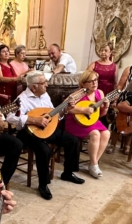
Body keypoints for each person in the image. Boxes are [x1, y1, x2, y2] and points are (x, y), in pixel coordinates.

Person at [7, 71, 84, 200]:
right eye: (43, 83)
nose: (47, 85)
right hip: (27, 133)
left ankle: (68, 173)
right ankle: (43, 185)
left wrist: (65, 109)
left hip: (46, 129)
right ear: (34, 87)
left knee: (72, 140)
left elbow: (52, 115)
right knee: (44, 150)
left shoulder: (45, 95)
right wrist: (33, 120)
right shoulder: (22, 99)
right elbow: (10, 117)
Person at [65, 70, 110, 179]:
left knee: (106, 133)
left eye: (95, 80)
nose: (94, 83)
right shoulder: (78, 94)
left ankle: (93, 163)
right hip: (75, 122)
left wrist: (106, 106)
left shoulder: (100, 93)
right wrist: (83, 110)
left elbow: (101, 114)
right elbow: (66, 108)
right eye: (90, 81)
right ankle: (94, 165)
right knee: (95, 134)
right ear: (83, 84)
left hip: (91, 121)